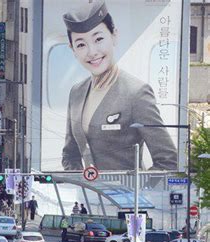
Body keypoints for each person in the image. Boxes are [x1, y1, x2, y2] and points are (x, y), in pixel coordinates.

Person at [61, 0, 177, 171]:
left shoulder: (136, 93)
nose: (92, 51)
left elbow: (168, 161)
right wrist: (80, 185)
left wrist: (140, 191)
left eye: (99, 39)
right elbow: (70, 155)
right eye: (81, 44)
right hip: (87, 196)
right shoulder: (76, 92)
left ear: (114, 35)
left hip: (127, 196)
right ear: (72, 50)